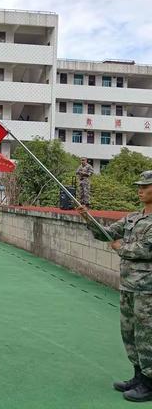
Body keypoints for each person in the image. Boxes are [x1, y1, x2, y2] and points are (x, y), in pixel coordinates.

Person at [78, 170, 152, 402]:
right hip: (129, 286)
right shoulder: (132, 217)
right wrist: (87, 217)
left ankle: (150, 383)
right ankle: (138, 376)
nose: (140, 189)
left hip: (147, 289)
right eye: (138, 185)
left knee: (147, 335)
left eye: (145, 186)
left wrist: (120, 247)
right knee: (129, 333)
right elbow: (106, 234)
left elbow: (146, 249)